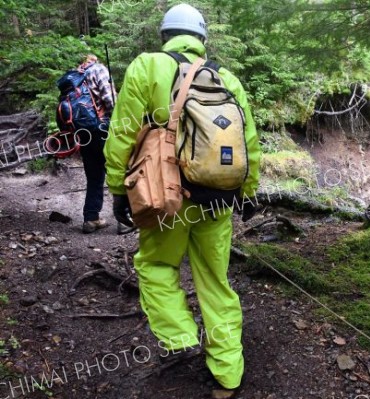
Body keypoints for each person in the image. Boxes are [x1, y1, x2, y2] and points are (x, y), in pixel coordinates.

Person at [103, 4, 260, 397]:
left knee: (155, 265)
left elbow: (122, 133)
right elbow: (249, 142)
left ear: (166, 35)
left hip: (165, 197)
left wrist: (118, 189)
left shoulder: (147, 65)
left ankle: (181, 335)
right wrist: (248, 191)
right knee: (216, 282)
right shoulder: (226, 78)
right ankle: (227, 375)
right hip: (217, 199)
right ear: (202, 39)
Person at [75, 54, 117, 234]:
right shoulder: (99, 69)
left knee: (93, 175)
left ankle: (91, 219)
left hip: (83, 132)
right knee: (117, 171)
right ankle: (126, 219)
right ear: (95, 59)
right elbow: (110, 100)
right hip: (102, 128)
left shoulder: (76, 76)